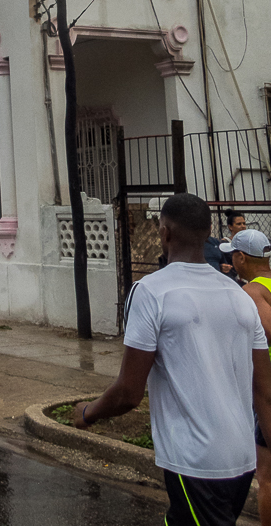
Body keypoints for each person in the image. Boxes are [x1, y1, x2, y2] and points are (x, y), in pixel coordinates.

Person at [74, 193, 271, 526]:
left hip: (196, 462)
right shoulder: (239, 297)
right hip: (241, 460)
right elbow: (265, 392)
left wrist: (87, 413)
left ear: (163, 233)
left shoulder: (151, 292)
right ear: (209, 233)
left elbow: (128, 393)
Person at [222, 229, 271, 525]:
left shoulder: (251, 292)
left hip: (268, 389)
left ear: (240, 257)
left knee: (267, 477)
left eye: (232, 255)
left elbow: (265, 333)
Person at [222, 210, 248, 281]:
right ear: (230, 227)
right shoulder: (224, 243)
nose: (243, 226)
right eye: (239, 224)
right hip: (231, 279)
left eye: (244, 223)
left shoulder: (248, 242)